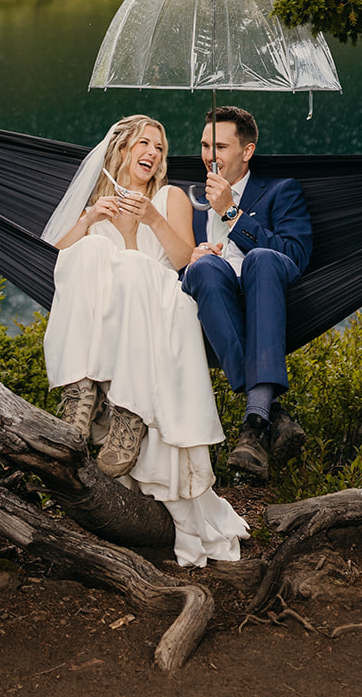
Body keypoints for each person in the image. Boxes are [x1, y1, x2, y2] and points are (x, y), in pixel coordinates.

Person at [41, 114, 248, 567]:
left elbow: (182, 261)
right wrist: (93, 218)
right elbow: (59, 265)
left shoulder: (169, 196)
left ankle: (130, 416)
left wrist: (147, 221)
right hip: (108, 318)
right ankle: (82, 392)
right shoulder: (100, 201)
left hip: (157, 297)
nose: (153, 153)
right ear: (122, 149)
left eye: (159, 146)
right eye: (145, 143)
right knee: (90, 248)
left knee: (131, 267)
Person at [180, 106, 311, 481]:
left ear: (247, 151)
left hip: (266, 285)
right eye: (205, 145)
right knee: (201, 267)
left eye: (220, 146)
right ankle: (267, 414)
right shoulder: (185, 197)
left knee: (262, 259)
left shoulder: (281, 191)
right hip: (214, 292)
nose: (209, 156)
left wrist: (232, 213)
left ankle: (256, 420)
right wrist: (192, 255)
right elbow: (172, 262)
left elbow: (294, 255)